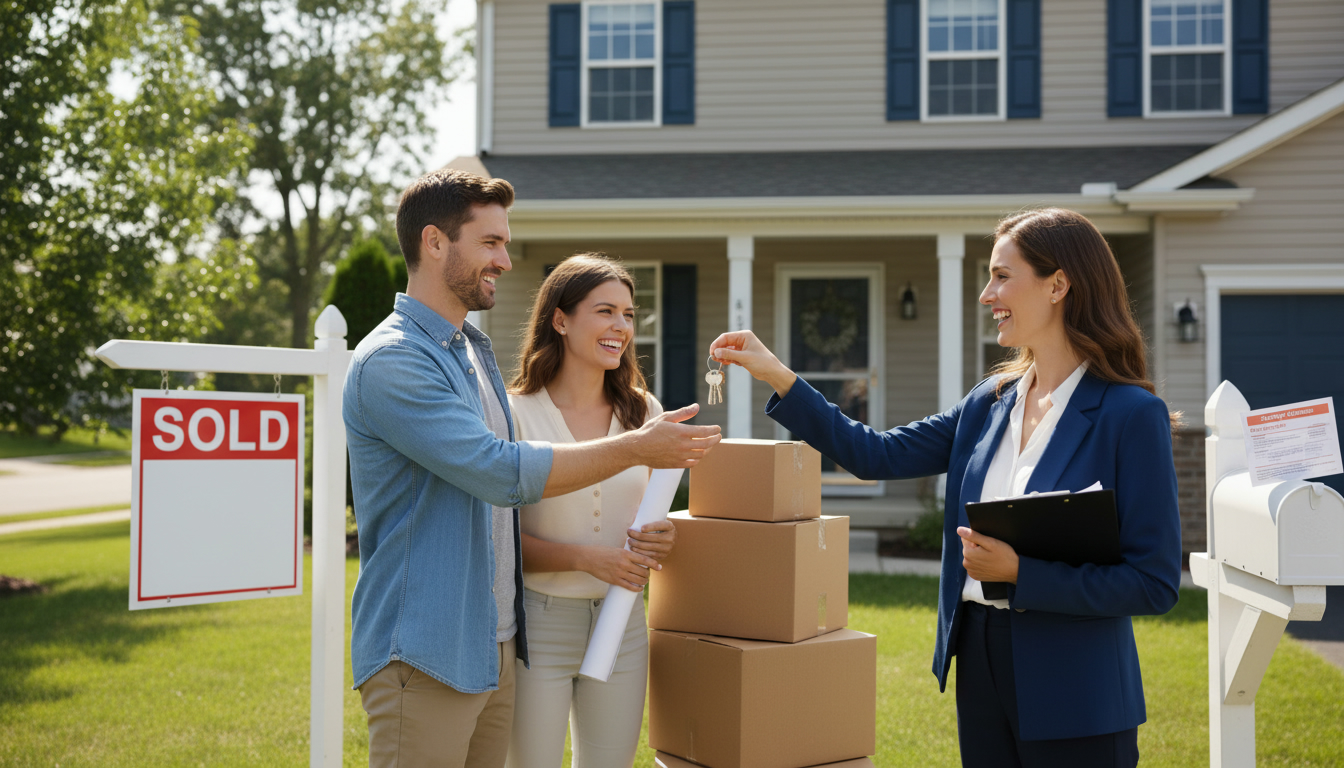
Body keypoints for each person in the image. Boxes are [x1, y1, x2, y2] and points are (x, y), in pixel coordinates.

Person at [709, 208, 1181, 768]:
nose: (987, 294)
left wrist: (1021, 574)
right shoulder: (989, 401)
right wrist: (777, 375)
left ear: (1059, 285)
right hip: (979, 663)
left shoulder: (1131, 414)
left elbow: (1153, 582)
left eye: (1002, 276)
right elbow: (873, 453)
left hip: (1077, 687)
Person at [343, 169, 721, 768]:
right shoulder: (394, 363)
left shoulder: (469, 352)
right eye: (490, 243)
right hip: (424, 648)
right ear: (435, 242)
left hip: (492, 645)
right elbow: (498, 472)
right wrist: (637, 449)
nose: (506, 260)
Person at [504, 254, 676, 768]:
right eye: (605, 311)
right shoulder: (514, 413)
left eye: (627, 314)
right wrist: (584, 558)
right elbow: (499, 541)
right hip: (538, 624)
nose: (621, 327)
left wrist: (665, 536)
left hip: (623, 623)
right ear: (560, 319)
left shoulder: (644, 412)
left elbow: (655, 515)